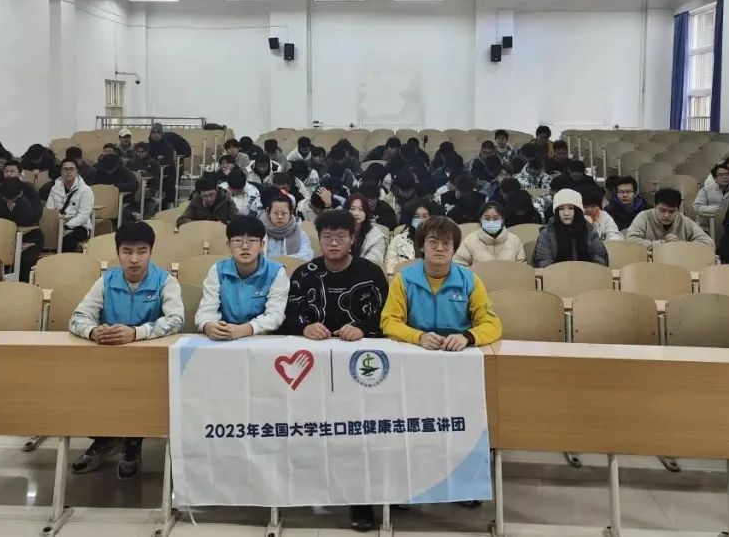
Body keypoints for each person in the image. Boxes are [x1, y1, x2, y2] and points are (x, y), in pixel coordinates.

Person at [281, 207, 389, 533]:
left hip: (360, 371)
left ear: (352, 239)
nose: (333, 242)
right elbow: (287, 316)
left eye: (340, 236)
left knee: (358, 435)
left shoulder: (371, 273)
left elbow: (386, 317)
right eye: (327, 236)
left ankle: (362, 500)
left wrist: (363, 328)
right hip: (311, 369)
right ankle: (305, 488)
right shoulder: (305, 274)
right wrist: (304, 327)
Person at [69, 221, 184, 480]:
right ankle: (105, 438)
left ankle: (133, 441)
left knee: (140, 390)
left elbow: (176, 320)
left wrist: (136, 333)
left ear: (151, 252)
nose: (134, 259)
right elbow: (77, 317)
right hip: (110, 361)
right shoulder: (106, 281)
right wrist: (93, 331)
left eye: (141, 252)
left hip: (151, 363)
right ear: (118, 253)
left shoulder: (165, 282)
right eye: (127, 252)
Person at [381, 215, 502, 350]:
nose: (440, 248)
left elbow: (492, 324)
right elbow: (389, 322)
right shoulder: (404, 279)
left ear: (454, 249)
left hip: (458, 351)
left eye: (446, 243)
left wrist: (467, 337)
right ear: (421, 246)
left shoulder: (469, 280)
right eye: (433, 242)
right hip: (416, 349)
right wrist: (418, 337)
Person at [196, 215, 289, 339]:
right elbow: (207, 308)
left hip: (262, 338)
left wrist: (246, 329)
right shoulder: (218, 271)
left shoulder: (276, 272)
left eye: (252, 240)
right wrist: (208, 326)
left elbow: (275, 315)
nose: (245, 247)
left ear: (262, 244)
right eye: (238, 240)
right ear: (228, 244)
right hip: (224, 336)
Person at [0, 179, 44, 281]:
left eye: (12, 199)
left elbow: (31, 219)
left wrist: (20, 206)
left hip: (30, 238)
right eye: (6, 199)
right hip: (4, 240)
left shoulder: (28, 198)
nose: (9, 202)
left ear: (20, 193)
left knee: (24, 260)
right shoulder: (1, 198)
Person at [532, 189, 608, 267]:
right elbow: (544, 263)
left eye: (571, 208)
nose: (566, 213)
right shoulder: (546, 234)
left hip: (586, 274)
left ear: (578, 211)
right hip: (555, 274)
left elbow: (600, 260)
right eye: (561, 208)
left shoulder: (589, 231)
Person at [626, 188, 714, 247]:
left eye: (672, 211)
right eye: (662, 210)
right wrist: (661, 244)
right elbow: (630, 240)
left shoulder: (684, 220)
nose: (666, 215)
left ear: (678, 210)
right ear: (655, 206)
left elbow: (708, 243)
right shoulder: (644, 216)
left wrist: (680, 244)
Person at [45, 159, 95, 253]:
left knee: (67, 241)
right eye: (65, 169)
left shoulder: (85, 190)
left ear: (77, 171)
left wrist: (66, 226)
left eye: (71, 169)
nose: (68, 172)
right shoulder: (54, 188)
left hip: (79, 226)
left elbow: (83, 216)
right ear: (61, 171)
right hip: (57, 224)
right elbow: (49, 210)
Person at [455, 202, 526, 266]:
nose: (491, 222)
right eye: (487, 219)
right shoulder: (470, 240)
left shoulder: (514, 241)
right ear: (480, 219)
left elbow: (522, 267)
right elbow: (458, 265)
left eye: (496, 219)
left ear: (502, 220)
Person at [384, 199, 441, 275]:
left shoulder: (441, 241)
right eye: (416, 217)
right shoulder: (398, 240)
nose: (421, 220)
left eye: (425, 216)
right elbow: (390, 269)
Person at [262, 195, 315, 261]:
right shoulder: (260, 232)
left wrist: (285, 261)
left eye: (284, 213)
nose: (280, 217)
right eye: (276, 213)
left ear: (290, 213)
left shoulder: (299, 233)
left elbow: (307, 254)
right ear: (269, 213)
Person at [344, 194, 387, 267]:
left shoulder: (376, 235)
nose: (356, 213)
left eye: (361, 209)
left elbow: (374, 262)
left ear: (366, 212)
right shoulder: (338, 231)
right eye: (352, 209)